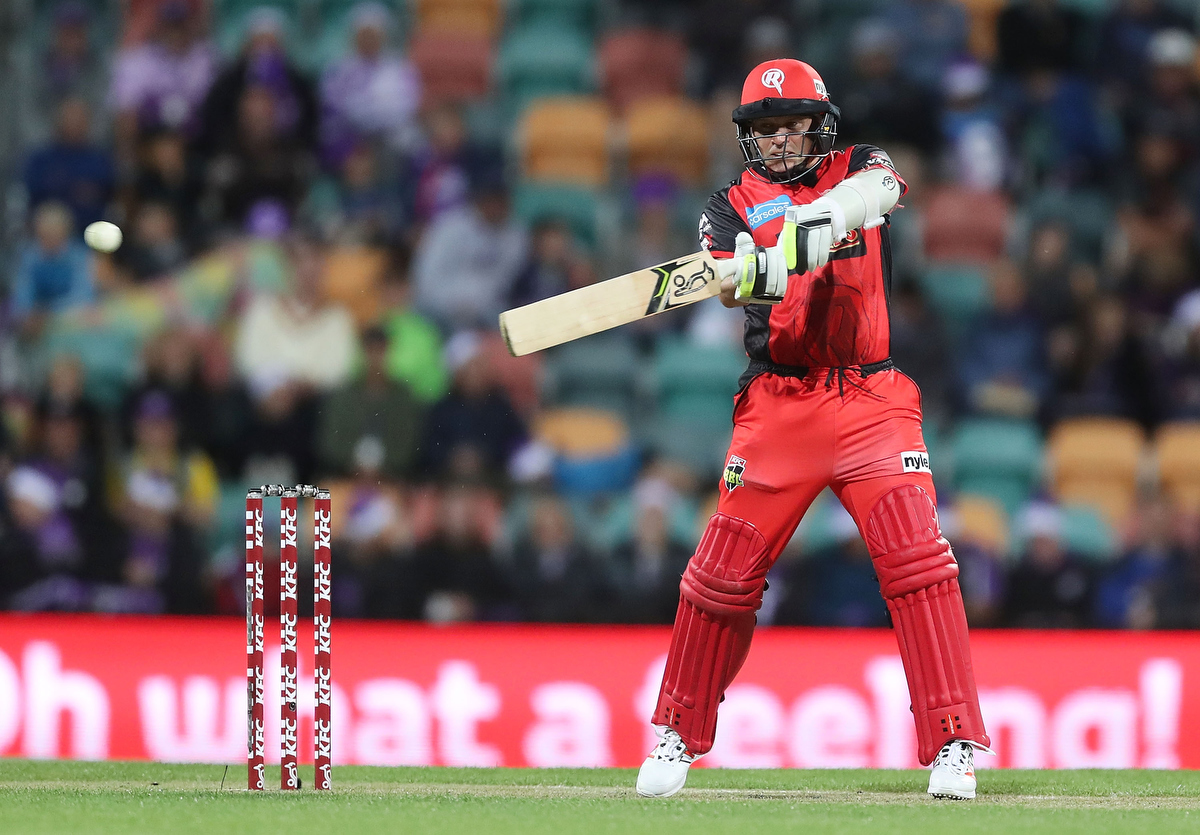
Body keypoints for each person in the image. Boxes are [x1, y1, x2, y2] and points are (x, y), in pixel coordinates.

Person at [635, 59, 991, 802]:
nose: (780, 141)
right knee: (720, 577)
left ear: (819, 125)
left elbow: (885, 189)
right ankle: (677, 729)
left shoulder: (858, 166)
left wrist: (823, 221)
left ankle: (954, 741)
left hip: (871, 395)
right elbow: (727, 278)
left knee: (918, 561)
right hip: (779, 403)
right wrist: (763, 267)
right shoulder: (728, 203)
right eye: (764, 130)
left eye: (792, 125)